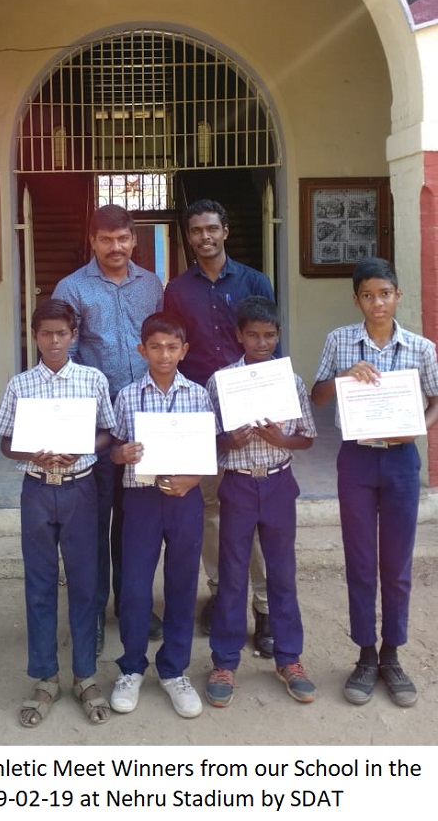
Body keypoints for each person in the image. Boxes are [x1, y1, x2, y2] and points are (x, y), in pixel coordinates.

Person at [311, 257, 438, 708]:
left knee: (397, 564)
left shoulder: (421, 348)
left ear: (397, 296)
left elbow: (436, 399)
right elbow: (317, 395)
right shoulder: (341, 341)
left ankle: (392, 655)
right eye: (368, 295)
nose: (377, 302)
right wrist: (343, 376)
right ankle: (365, 655)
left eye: (385, 293)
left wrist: (418, 426)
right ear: (357, 299)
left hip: (402, 460)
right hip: (358, 461)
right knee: (361, 561)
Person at [0, 299, 115, 727]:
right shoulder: (21, 385)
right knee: (40, 582)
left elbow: (107, 432)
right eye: (46, 333)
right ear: (35, 337)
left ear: (74, 334)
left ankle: (84, 675)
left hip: (81, 488)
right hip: (38, 490)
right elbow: (6, 443)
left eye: (62, 333)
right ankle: (45, 675)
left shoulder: (92, 379)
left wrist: (83, 445)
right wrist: (35, 454)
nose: (54, 341)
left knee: (84, 582)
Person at [163, 198, 275, 653]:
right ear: (188, 236)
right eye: (196, 231)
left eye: (212, 228)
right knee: (210, 509)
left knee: (252, 513)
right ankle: (218, 594)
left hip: (247, 409)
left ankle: (264, 607)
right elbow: (174, 348)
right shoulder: (177, 289)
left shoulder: (253, 280)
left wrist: (269, 402)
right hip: (199, 412)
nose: (204, 237)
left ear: (225, 231)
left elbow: (267, 342)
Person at [52, 204, 164, 652]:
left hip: (143, 423)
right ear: (92, 241)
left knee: (136, 522)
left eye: (123, 238)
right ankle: (93, 610)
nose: (115, 247)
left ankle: (132, 603)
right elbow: (67, 357)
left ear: (134, 239)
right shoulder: (72, 287)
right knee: (94, 524)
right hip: (97, 427)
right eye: (105, 239)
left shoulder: (152, 285)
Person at [205, 295, 317, 707]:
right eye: (252, 335)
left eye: (269, 335)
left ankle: (289, 658)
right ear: (239, 336)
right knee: (233, 575)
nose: (261, 343)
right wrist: (228, 440)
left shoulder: (291, 383)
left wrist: (280, 439)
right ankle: (225, 661)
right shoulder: (221, 382)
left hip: (277, 482)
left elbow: (306, 437)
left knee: (281, 572)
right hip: (236, 484)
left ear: (278, 335)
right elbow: (207, 440)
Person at [109, 312, 216, 718]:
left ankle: (174, 670)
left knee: (182, 582)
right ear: (142, 350)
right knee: (136, 586)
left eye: (173, 347)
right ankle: (132, 667)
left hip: (184, 497)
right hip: (140, 499)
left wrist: (191, 479)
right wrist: (121, 454)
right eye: (156, 346)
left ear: (184, 350)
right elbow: (115, 449)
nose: (164, 354)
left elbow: (208, 452)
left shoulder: (198, 394)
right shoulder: (128, 395)